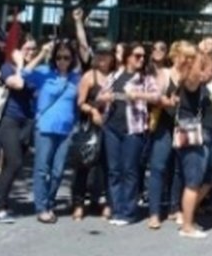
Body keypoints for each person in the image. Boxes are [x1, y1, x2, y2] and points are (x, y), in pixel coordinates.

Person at [9, 40, 81, 224]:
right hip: (45, 127)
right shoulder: (44, 72)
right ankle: (42, 207)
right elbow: (24, 73)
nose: (62, 61)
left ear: (72, 59)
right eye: (59, 57)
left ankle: (49, 201)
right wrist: (42, 53)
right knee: (42, 168)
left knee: (58, 171)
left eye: (66, 57)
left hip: (65, 129)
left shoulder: (76, 78)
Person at [103, 42, 159, 226]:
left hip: (133, 128)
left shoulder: (145, 78)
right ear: (127, 57)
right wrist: (103, 98)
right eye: (137, 56)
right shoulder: (115, 75)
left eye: (143, 56)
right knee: (114, 170)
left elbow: (156, 96)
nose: (141, 59)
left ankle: (128, 211)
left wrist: (138, 95)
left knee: (129, 169)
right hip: (112, 126)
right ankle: (116, 207)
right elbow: (100, 96)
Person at [171, 52, 212, 239]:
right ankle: (186, 227)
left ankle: (187, 216)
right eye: (208, 69)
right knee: (192, 183)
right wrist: (199, 58)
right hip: (195, 139)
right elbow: (191, 78)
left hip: (209, 138)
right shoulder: (191, 85)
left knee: (207, 181)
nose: (211, 73)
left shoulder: (204, 89)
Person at [146, 41, 194, 229]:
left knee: (179, 169)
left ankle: (175, 208)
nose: (188, 60)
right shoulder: (165, 74)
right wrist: (167, 100)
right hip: (164, 126)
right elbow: (155, 97)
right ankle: (154, 213)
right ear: (175, 56)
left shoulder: (191, 77)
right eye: (185, 56)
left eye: (191, 57)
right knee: (158, 167)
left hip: (184, 125)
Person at [0, 35, 38, 223]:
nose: (31, 53)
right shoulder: (7, 67)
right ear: (17, 51)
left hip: (28, 122)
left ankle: (3, 198)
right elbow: (17, 83)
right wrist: (19, 64)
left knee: (15, 165)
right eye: (27, 49)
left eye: (33, 49)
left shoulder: (35, 70)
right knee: (15, 161)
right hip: (8, 119)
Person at [72, 39, 116, 221]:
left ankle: (105, 202)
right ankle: (78, 203)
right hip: (91, 125)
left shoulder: (116, 75)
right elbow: (80, 102)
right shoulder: (90, 76)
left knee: (107, 165)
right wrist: (93, 110)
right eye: (100, 55)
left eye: (107, 55)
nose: (103, 58)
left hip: (111, 125)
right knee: (85, 163)